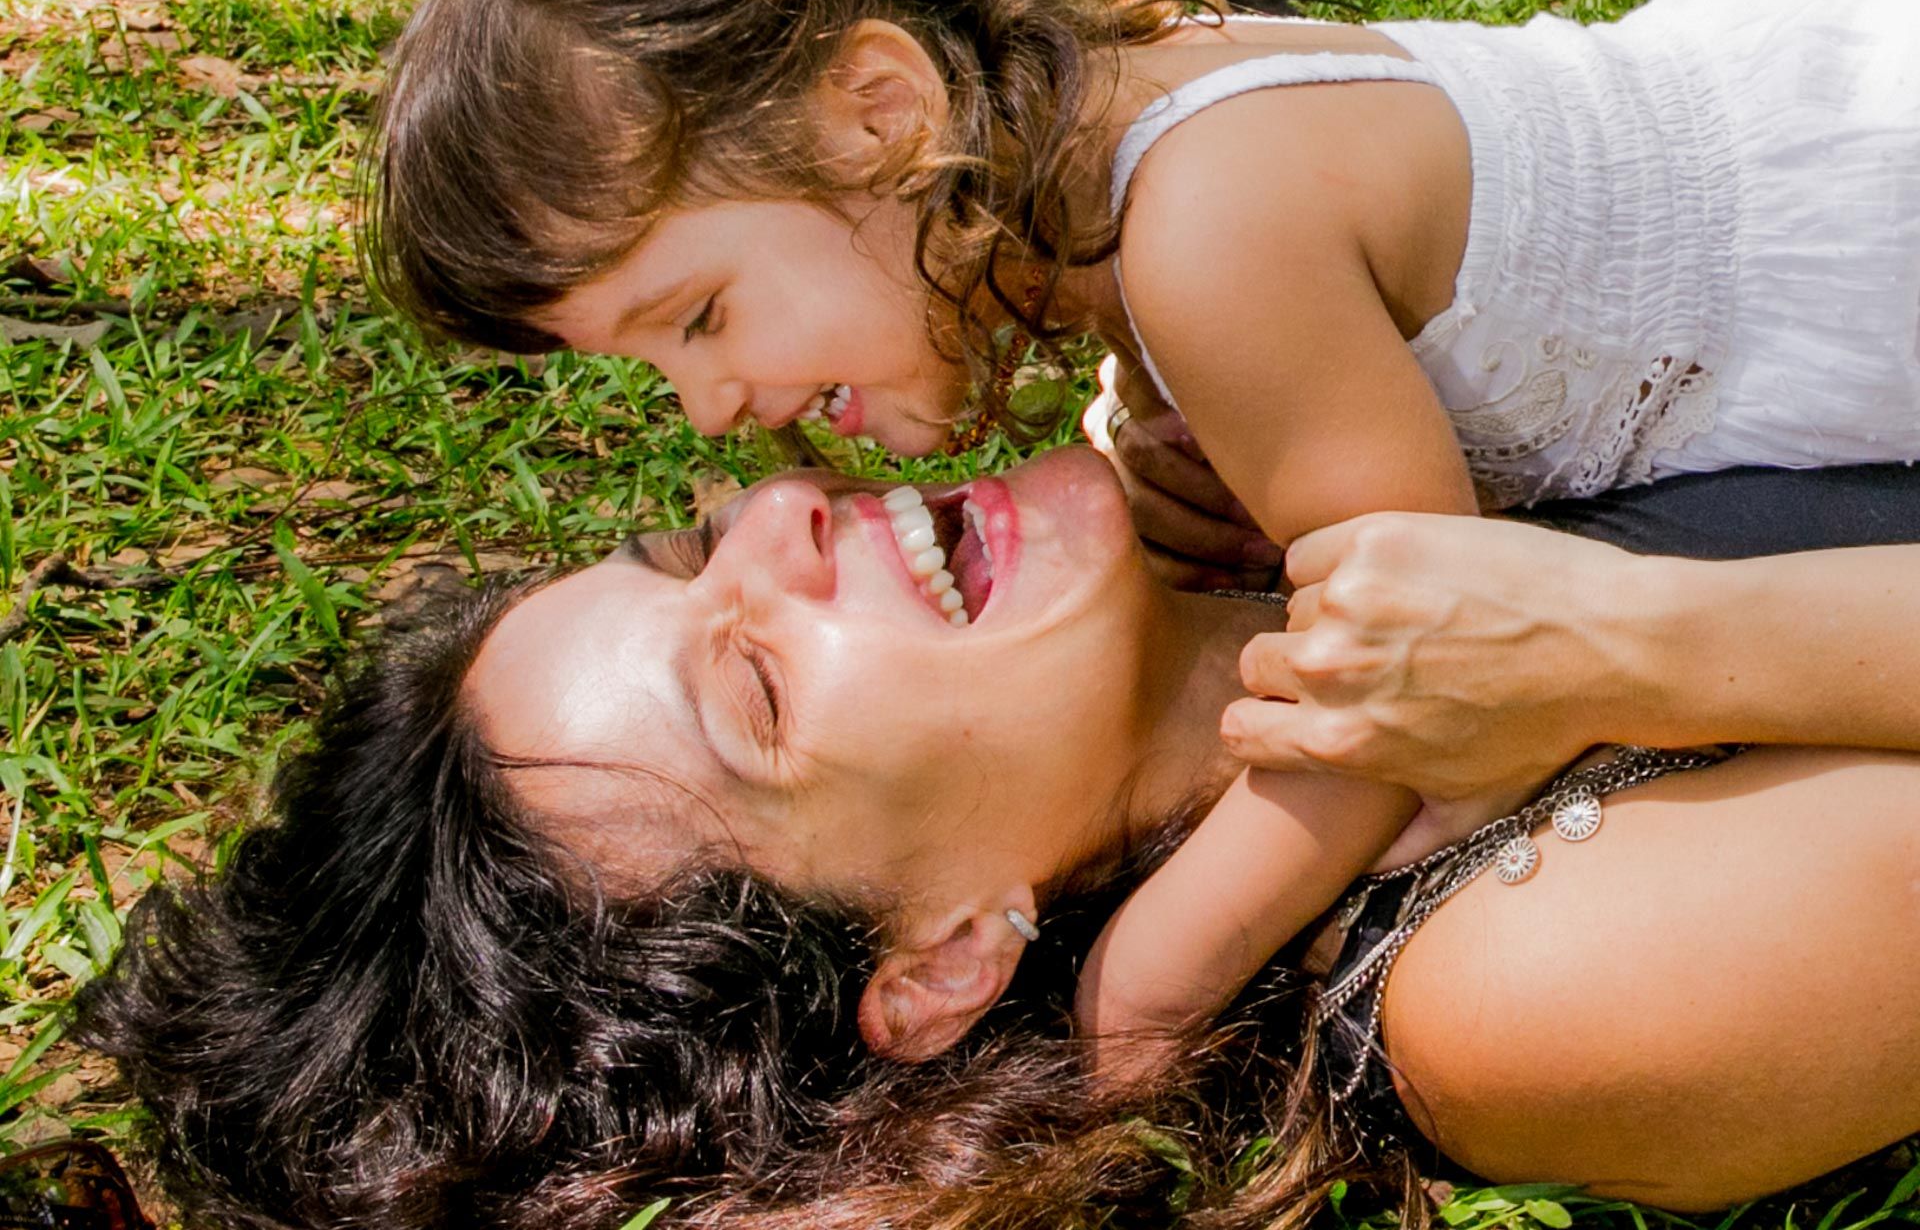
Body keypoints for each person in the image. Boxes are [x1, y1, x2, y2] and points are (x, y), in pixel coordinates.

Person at [359, 0, 1920, 1059]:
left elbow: (1403, 686)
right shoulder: (1144, 197)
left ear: (879, 117)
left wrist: (1159, 979)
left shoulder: (1204, 244)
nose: (726, 428)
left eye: (700, 318)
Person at [74, 449, 1920, 1230]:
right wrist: (1626, 647)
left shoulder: (1260, 418)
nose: (784, 513)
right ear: (945, 956)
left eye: (686, 546)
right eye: (760, 693)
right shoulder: (1535, 997)